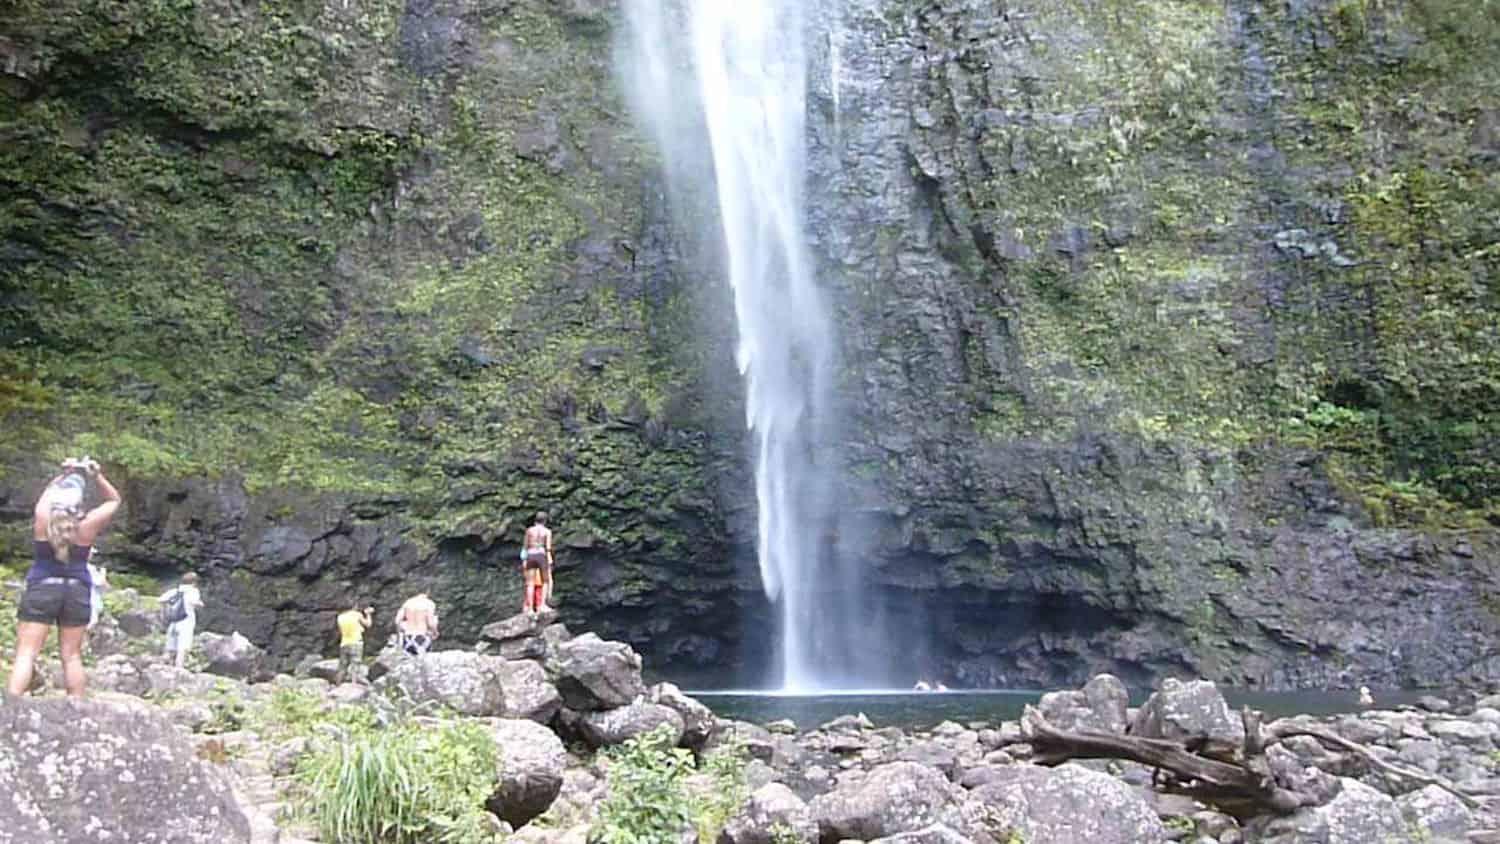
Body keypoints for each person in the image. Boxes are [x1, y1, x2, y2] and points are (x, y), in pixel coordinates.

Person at [7, 458, 121, 697]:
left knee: (26, 653)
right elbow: (114, 500)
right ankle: (77, 708)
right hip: (77, 590)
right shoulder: (86, 525)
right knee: (71, 656)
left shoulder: (43, 518)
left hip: (42, 587)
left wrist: (64, 473)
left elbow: (46, 495)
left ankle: (8, 710)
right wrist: (96, 475)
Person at [158, 573, 204, 669]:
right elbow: (194, 602)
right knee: (182, 648)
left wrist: (164, 612)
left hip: (173, 623)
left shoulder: (175, 591)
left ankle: (162, 668)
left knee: (170, 648)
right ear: (194, 582)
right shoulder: (193, 591)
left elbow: (161, 600)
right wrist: (200, 604)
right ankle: (179, 669)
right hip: (185, 623)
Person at [524, 511, 555, 611]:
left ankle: (530, 608)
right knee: (545, 581)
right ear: (545, 521)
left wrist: (524, 559)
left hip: (531, 554)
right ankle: (542, 605)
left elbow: (525, 546)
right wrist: (550, 559)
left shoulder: (529, 530)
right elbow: (548, 547)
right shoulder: (547, 532)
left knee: (530, 583)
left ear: (535, 520)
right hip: (541, 555)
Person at [336, 602, 374, 683]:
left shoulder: (340, 617)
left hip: (344, 643)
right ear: (354, 606)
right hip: (356, 642)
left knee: (342, 666)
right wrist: (368, 614)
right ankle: (353, 685)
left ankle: (337, 684)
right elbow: (368, 624)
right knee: (355, 665)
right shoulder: (356, 615)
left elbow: (340, 631)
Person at [86, 548, 109, 629]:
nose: (91, 555)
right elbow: (100, 582)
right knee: (91, 623)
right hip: (91, 600)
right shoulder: (89, 568)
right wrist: (103, 573)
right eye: (90, 553)